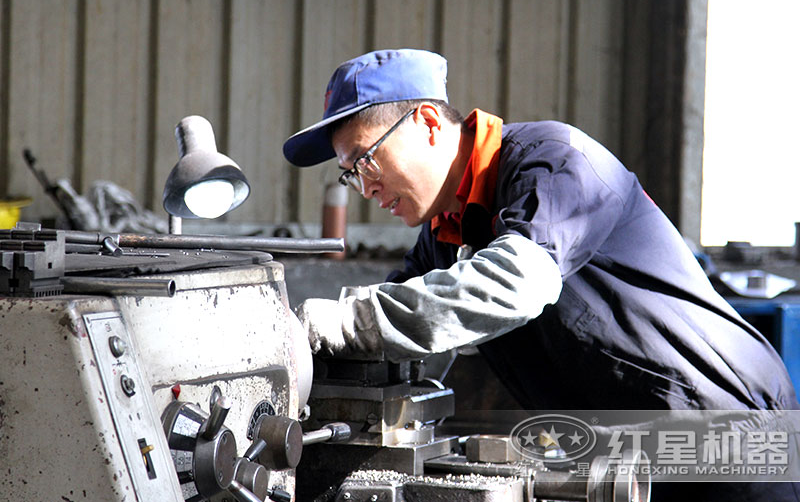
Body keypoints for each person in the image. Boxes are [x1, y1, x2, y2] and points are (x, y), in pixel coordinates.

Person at [283, 49, 800, 499]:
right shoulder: (445, 232)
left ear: (428, 123)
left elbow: (514, 284)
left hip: (723, 429)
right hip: (620, 448)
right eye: (350, 174)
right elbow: (399, 317)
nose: (364, 188)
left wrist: (344, 322)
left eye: (366, 160)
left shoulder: (553, 164)